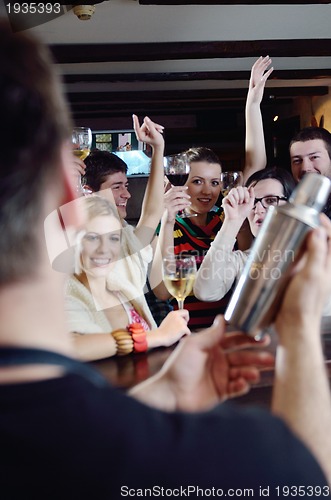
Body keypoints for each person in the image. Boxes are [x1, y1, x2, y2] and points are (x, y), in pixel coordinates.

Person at [1, 23, 331, 498]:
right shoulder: (211, 461)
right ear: (68, 190)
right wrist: (297, 328)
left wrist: (159, 393)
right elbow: (309, 481)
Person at [149, 57, 273, 330]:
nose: (208, 191)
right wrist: (167, 219)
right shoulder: (171, 223)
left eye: (215, 182)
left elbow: (255, 168)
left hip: (231, 332)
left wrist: (252, 104)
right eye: (197, 181)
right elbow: (162, 292)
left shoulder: (228, 218)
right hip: (186, 335)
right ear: (182, 181)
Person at [64, 195, 190, 361]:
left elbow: (154, 211)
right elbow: (69, 347)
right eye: (93, 237)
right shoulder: (65, 296)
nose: (104, 249)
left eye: (113, 238)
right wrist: (158, 336)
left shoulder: (123, 285)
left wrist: (168, 221)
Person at [194, 167, 295, 302]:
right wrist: (232, 221)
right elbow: (205, 292)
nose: (258, 209)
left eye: (270, 200)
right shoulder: (242, 260)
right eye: (253, 202)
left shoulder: (315, 255)